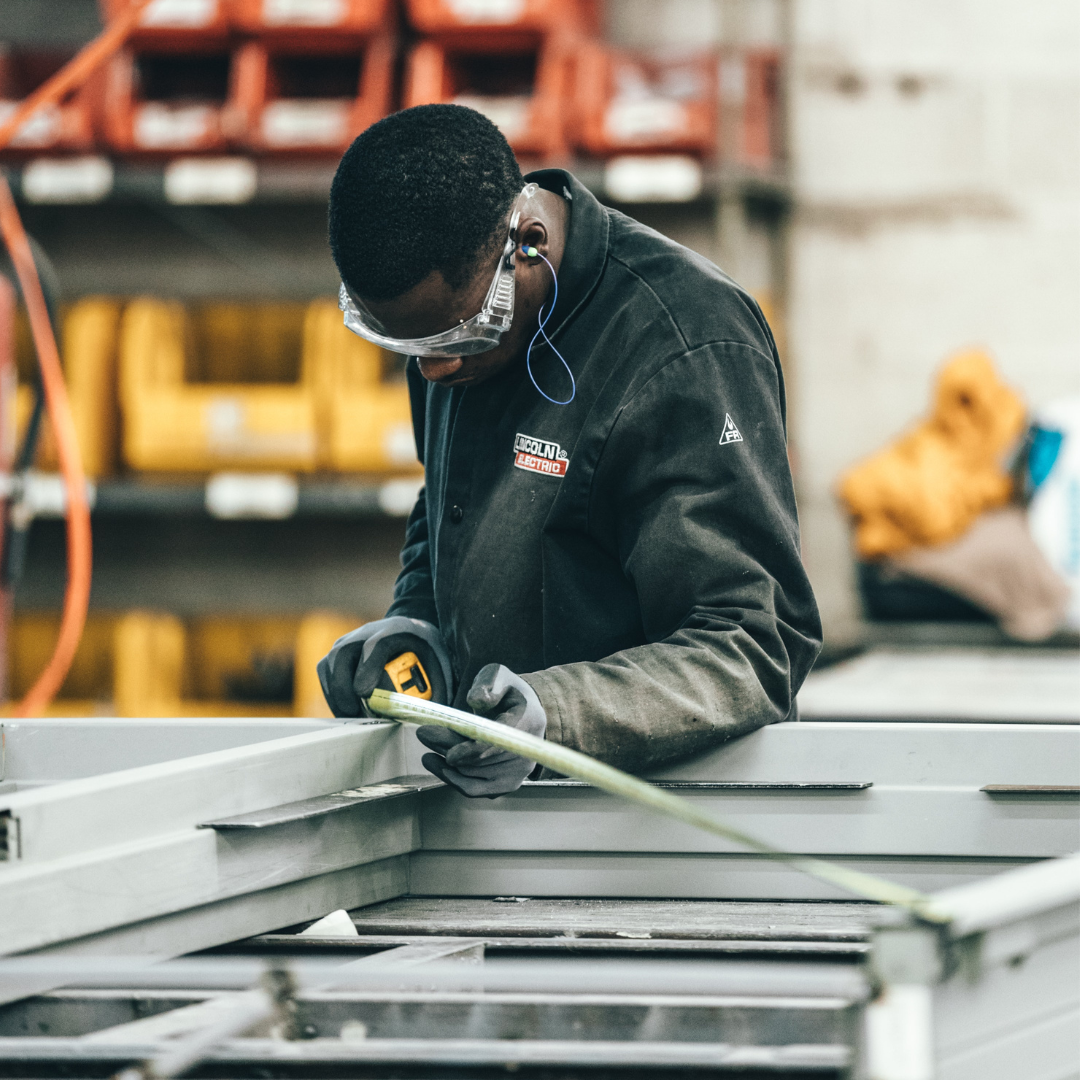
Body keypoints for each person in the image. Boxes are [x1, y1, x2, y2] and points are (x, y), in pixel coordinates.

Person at [318, 103, 821, 798]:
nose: (434, 373)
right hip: (500, 815)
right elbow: (451, 502)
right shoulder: (453, 323)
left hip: (653, 828)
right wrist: (417, 627)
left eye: (458, 341)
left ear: (526, 242)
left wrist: (561, 717)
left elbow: (751, 647)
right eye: (414, 350)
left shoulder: (685, 345)